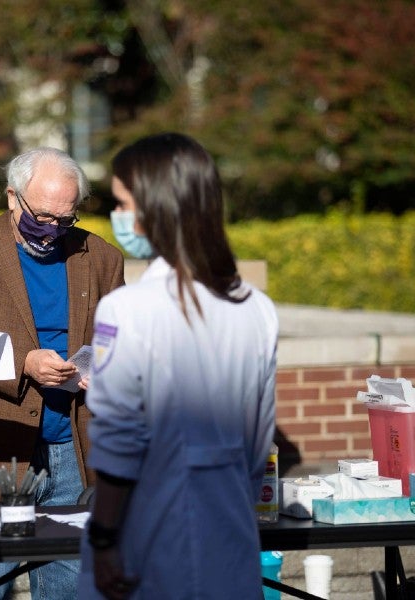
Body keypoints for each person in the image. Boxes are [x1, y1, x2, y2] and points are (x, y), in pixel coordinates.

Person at [77, 133, 278, 599]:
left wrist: (105, 536)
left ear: (156, 207)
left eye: (124, 203)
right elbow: (258, 436)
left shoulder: (128, 309)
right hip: (229, 526)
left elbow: (118, 440)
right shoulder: (256, 307)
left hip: (149, 528)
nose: (118, 217)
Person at [0, 147, 124, 599]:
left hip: (74, 448)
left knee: (68, 588)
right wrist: (25, 363)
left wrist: (107, 369)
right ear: (12, 197)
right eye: (43, 216)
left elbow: (118, 343)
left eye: (65, 219)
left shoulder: (102, 258)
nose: (53, 229)